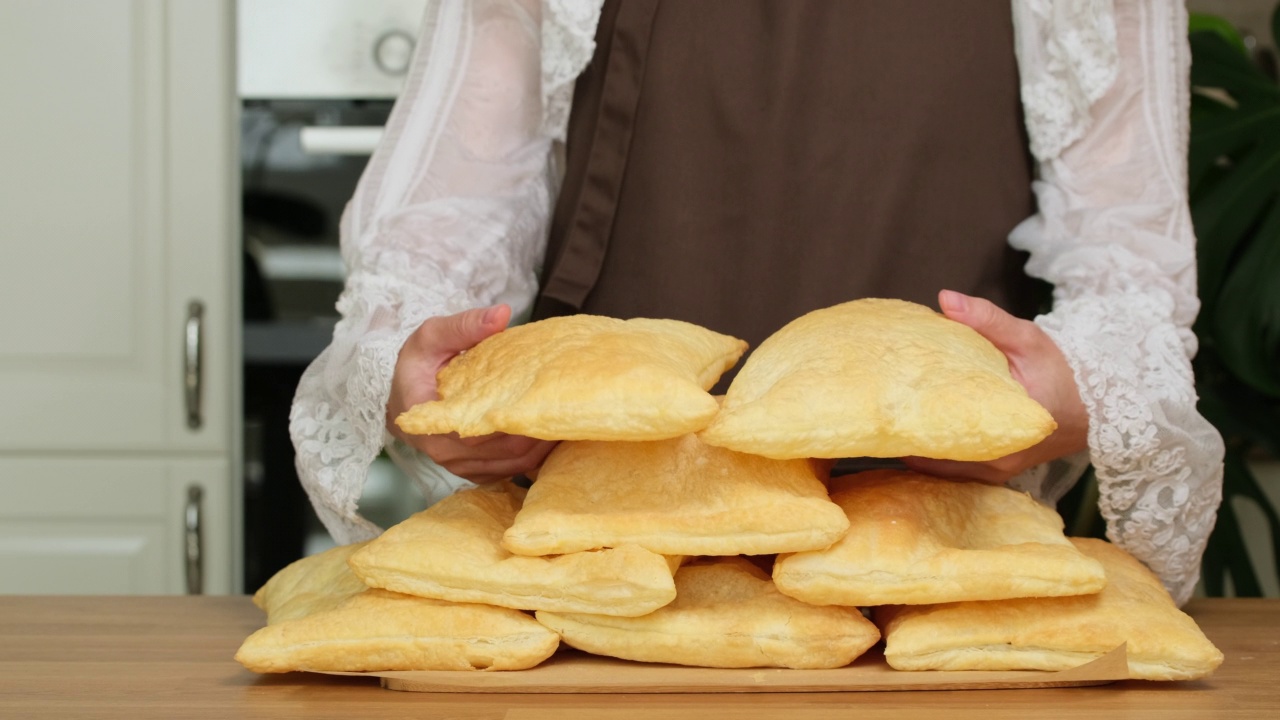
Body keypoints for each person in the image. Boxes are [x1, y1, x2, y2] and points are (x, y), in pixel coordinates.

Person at [290, 0, 1225, 606]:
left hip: (947, 570)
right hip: (609, 575)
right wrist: (414, 366)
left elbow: (1128, 265)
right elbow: (437, 231)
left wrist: (1080, 390)